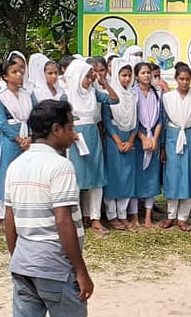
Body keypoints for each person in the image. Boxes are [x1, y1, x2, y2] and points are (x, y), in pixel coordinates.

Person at [4, 100, 114, 317]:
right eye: (70, 125)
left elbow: (9, 221)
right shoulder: (60, 166)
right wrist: (81, 270)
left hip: (24, 265)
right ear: (56, 130)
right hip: (55, 267)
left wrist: (19, 257)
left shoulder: (16, 165)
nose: (74, 131)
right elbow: (63, 220)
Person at [65, 59, 120, 235]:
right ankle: (77, 217)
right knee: (77, 178)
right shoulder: (66, 96)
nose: (90, 80)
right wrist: (70, 133)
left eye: (91, 77)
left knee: (96, 176)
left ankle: (95, 218)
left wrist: (103, 83)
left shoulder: (93, 93)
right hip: (74, 138)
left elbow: (114, 99)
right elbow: (58, 119)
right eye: (87, 77)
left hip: (92, 134)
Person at [160, 62, 191, 230]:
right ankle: (171, 216)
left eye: (187, 79)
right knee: (173, 177)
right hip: (173, 137)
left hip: (190, 137)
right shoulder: (167, 98)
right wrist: (163, 146)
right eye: (181, 79)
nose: (185, 82)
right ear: (176, 79)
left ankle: (183, 217)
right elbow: (163, 122)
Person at [0, 60, 36, 222]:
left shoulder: (27, 95)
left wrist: (30, 137)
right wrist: (19, 139)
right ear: (5, 77)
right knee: (7, 173)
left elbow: (33, 118)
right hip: (11, 140)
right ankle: (4, 212)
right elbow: (2, 123)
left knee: (26, 174)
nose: (19, 75)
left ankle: (24, 208)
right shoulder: (0, 98)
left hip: (27, 137)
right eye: (14, 72)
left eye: (20, 71)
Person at [102, 60, 138, 231]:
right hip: (114, 138)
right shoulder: (109, 93)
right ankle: (112, 215)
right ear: (116, 75)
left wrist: (131, 140)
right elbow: (107, 120)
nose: (126, 79)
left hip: (129, 139)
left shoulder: (133, 96)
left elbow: (136, 121)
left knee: (127, 177)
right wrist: (117, 141)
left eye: (129, 75)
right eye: (123, 75)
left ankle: (123, 214)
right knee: (114, 177)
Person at [133, 62, 162, 228]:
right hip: (138, 138)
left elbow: (160, 119)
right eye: (143, 73)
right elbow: (132, 119)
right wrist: (143, 138)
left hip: (154, 138)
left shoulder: (157, 93)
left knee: (151, 178)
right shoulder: (132, 94)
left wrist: (155, 139)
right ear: (137, 76)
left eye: (148, 72)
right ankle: (135, 215)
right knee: (137, 177)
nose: (146, 75)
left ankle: (149, 216)